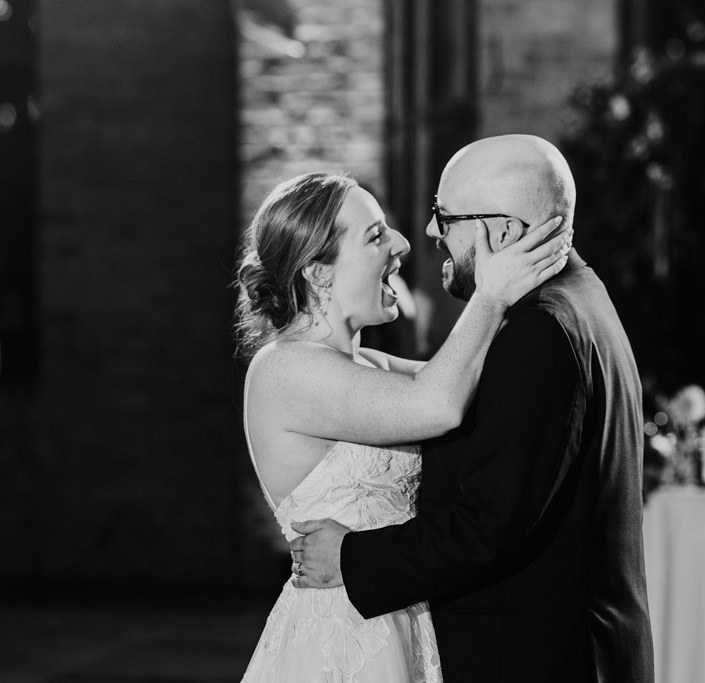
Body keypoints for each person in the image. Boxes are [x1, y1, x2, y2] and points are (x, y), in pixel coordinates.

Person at [290, 135, 656, 682]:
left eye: (445, 216)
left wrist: (353, 559)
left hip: (536, 656)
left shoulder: (540, 331)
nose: (432, 232)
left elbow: (492, 523)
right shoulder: (580, 301)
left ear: (502, 231)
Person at [235, 170, 571, 682]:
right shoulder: (284, 369)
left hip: (398, 613)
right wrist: (490, 295)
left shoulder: (368, 365)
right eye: (375, 236)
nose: (403, 243)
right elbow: (439, 404)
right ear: (318, 273)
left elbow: (482, 385)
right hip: (342, 636)